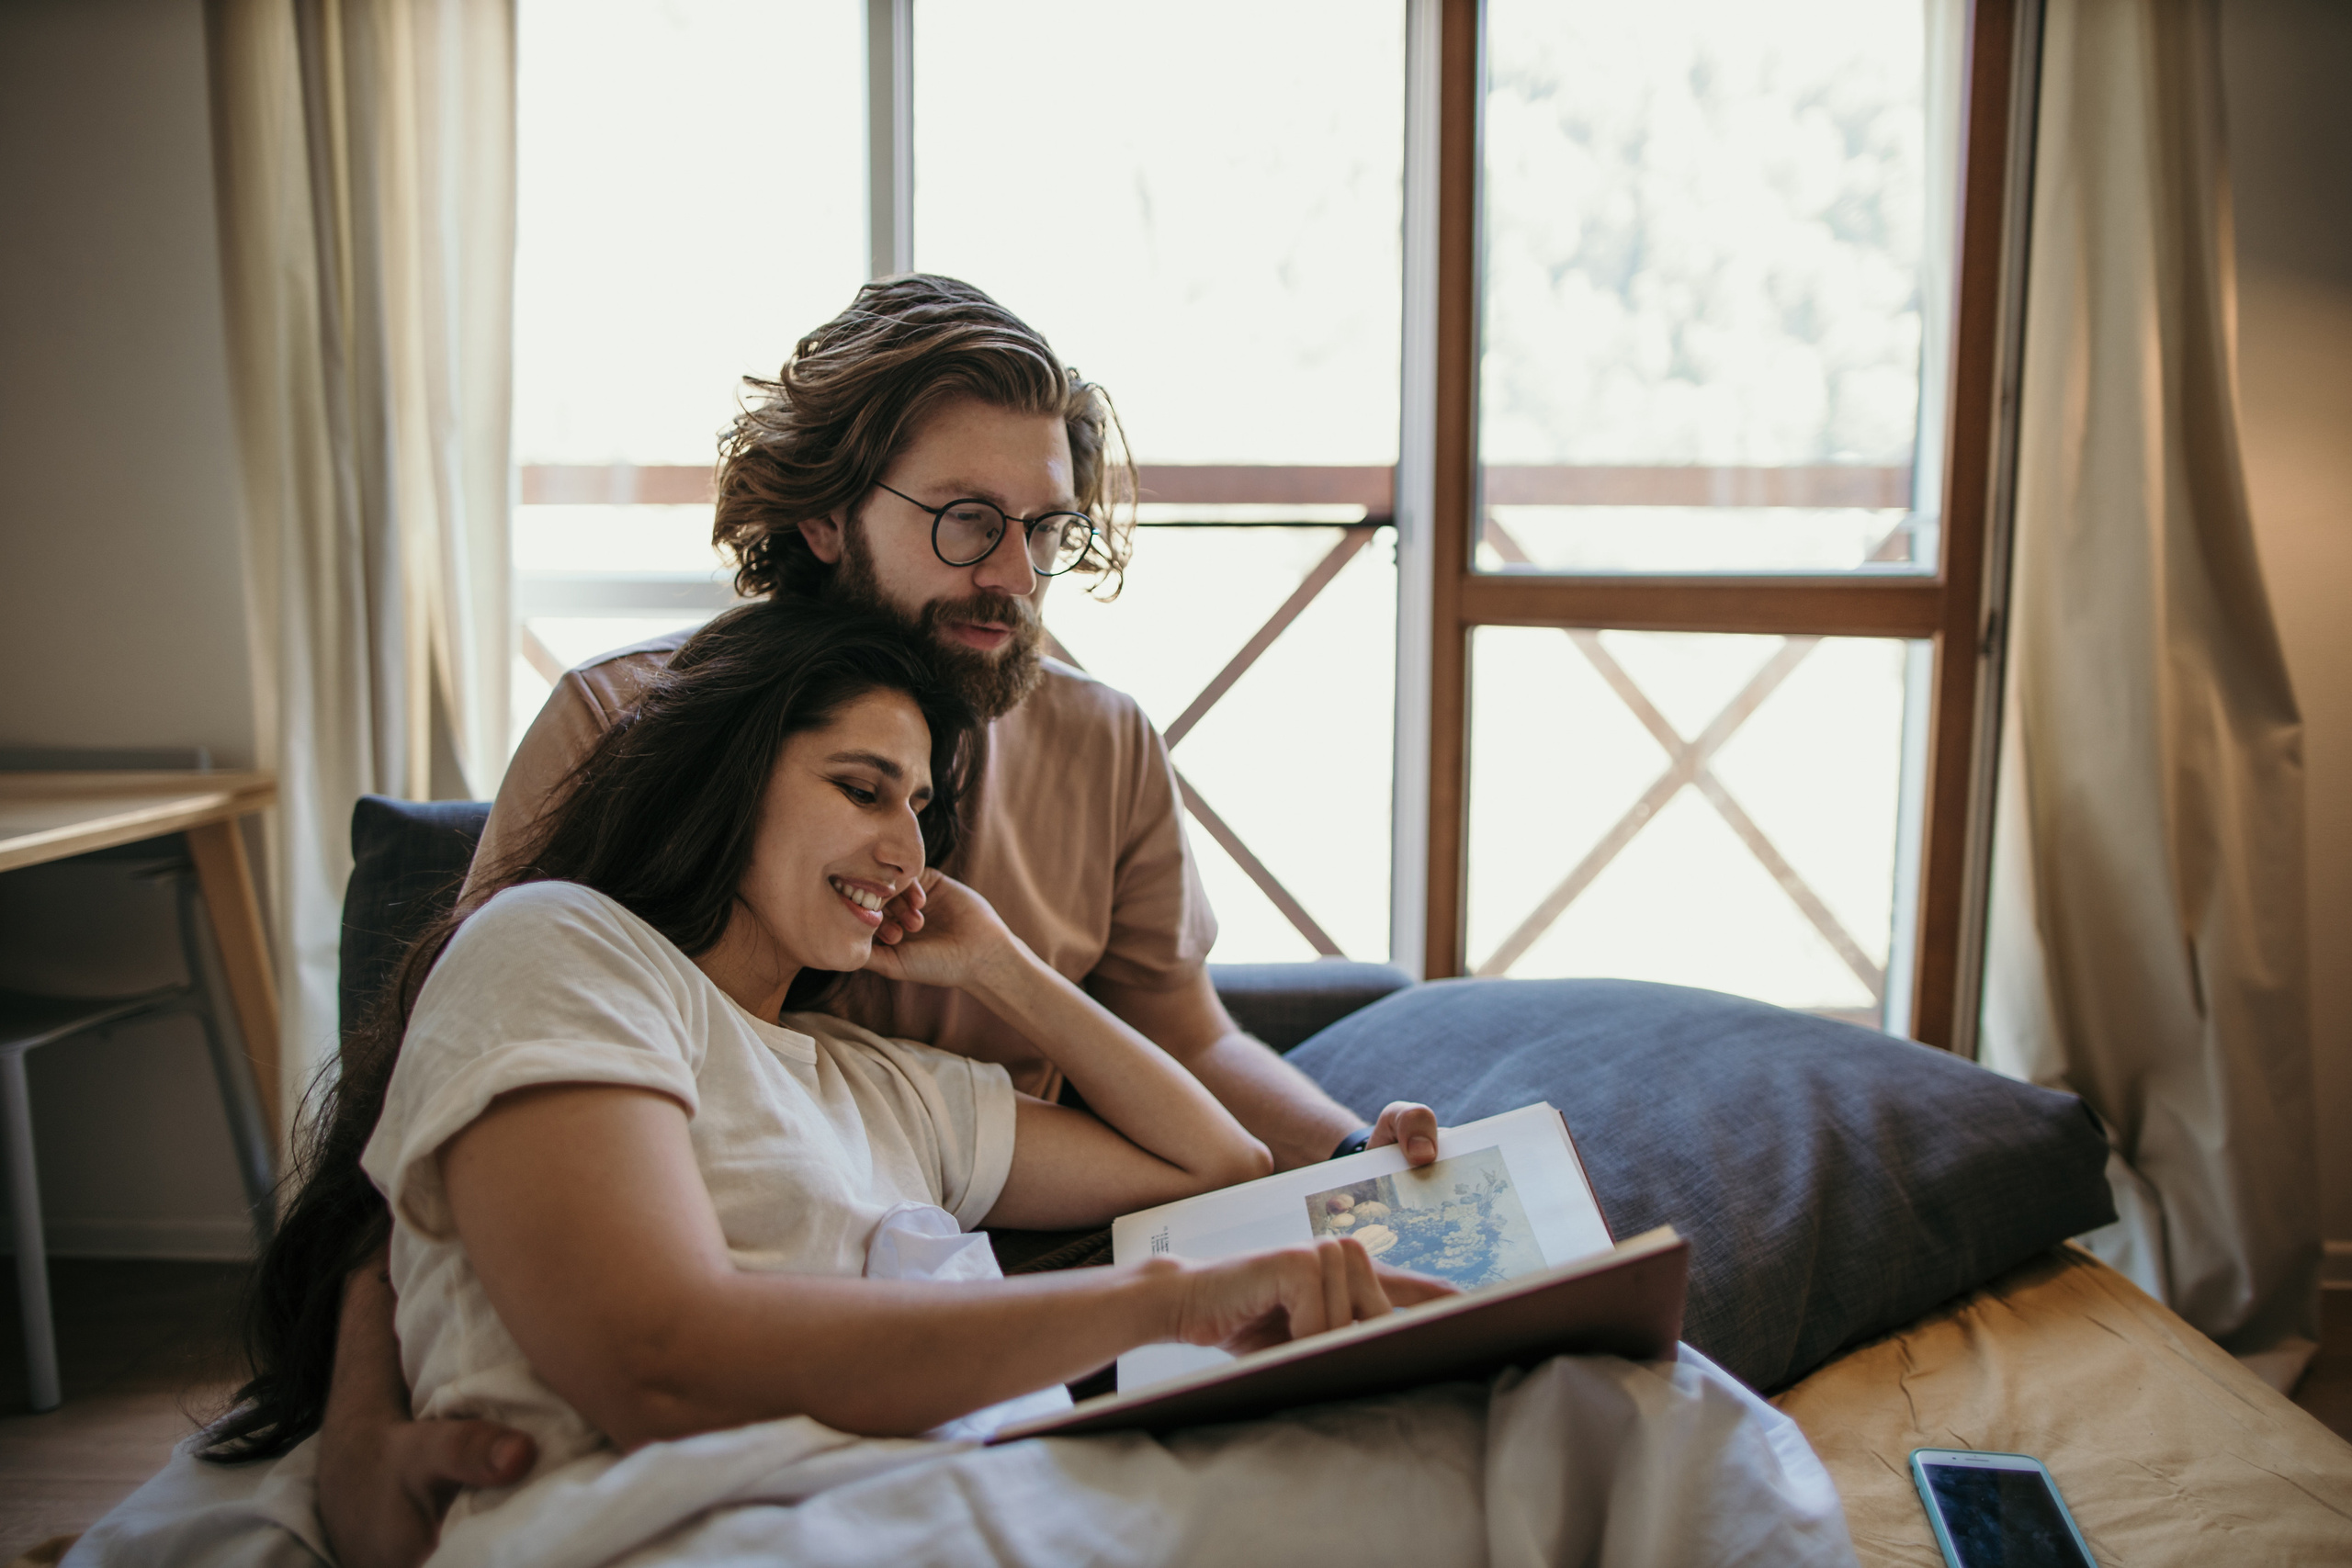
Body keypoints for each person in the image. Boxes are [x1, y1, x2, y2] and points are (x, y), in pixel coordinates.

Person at [78, 603, 1854, 1568]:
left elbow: (1207, 1162)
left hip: (875, 1485)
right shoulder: (565, 950)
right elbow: (660, 1355)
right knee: (1609, 1444)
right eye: (859, 787)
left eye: (921, 807)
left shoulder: (879, 1084)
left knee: (1598, 1401)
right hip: (685, 1518)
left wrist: (1004, 969)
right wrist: (1174, 1304)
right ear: (725, 773)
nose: (901, 844)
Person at [315, 273, 1443, 1565]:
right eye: (967, 522)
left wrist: (1351, 1159)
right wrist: (356, 1424)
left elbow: (1192, 1042)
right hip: (721, 1282)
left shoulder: (1102, 749)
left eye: (1047, 530)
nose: (1014, 576)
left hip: (1038, 1241)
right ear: (822, 519)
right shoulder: (626, 733)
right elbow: (439, 1099)